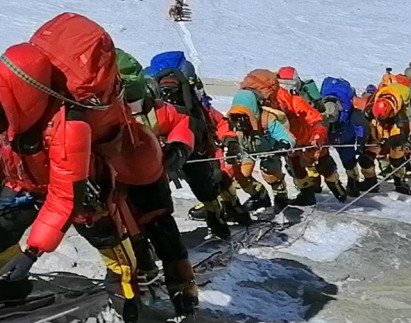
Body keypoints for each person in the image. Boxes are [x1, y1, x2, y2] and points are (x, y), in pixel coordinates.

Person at [0, 14, 192, 322]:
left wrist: (32, 253)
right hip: (22, 182)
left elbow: (65, 197)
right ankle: (10, 284)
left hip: (84, 191)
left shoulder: (68, 127)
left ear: (17, 94)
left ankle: (128, 292)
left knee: (109, 245)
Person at [140, 51, 248, 238]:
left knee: (210, 182)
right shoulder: (197, 107)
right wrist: (229, 139)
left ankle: (222, 211)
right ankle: (220, 214)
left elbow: (218, 122)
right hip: (194, 152)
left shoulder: (155, 110)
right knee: (210, 184)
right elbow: (218, 121)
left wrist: (229, 139)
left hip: (167, 155)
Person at [225, 81, 296, 211]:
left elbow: (287, 136)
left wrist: (284, 145)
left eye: (244, 116)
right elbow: (225, 133)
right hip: (247, 151)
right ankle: (259, 195)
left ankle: (281, 196)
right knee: (241, 175)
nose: (240, 121)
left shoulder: (267, 119)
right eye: (237, 116)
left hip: (269, 151)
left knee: (270, 172)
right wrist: (230, 146)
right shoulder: (232, 122)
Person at [272, 68, 334, 205]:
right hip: (305, 134)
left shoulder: (293, 99)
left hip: (305, 133)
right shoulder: (298, 95)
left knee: (308, 164)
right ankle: (315, 190)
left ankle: (315, 191)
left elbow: (315, 116)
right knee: (303, 164)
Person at [360, 92, 411, 196]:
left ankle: (399, 183)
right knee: (365, 159)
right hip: (377, 136)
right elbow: (364, 125)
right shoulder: (370, 110)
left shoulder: (401, 117)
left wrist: (388, 142)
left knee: (397, 160)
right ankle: (370, 182)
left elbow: (403, 136)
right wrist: (364, 139)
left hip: (394, 138)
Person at [319, 77, 365, 198]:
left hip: (344, 136)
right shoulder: (321, 111)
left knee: (348, 161)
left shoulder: (350, 110)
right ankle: (342, 184)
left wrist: (361, 141)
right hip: (341, 136)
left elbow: (360, 125)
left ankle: (352, 183)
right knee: (325, 160)